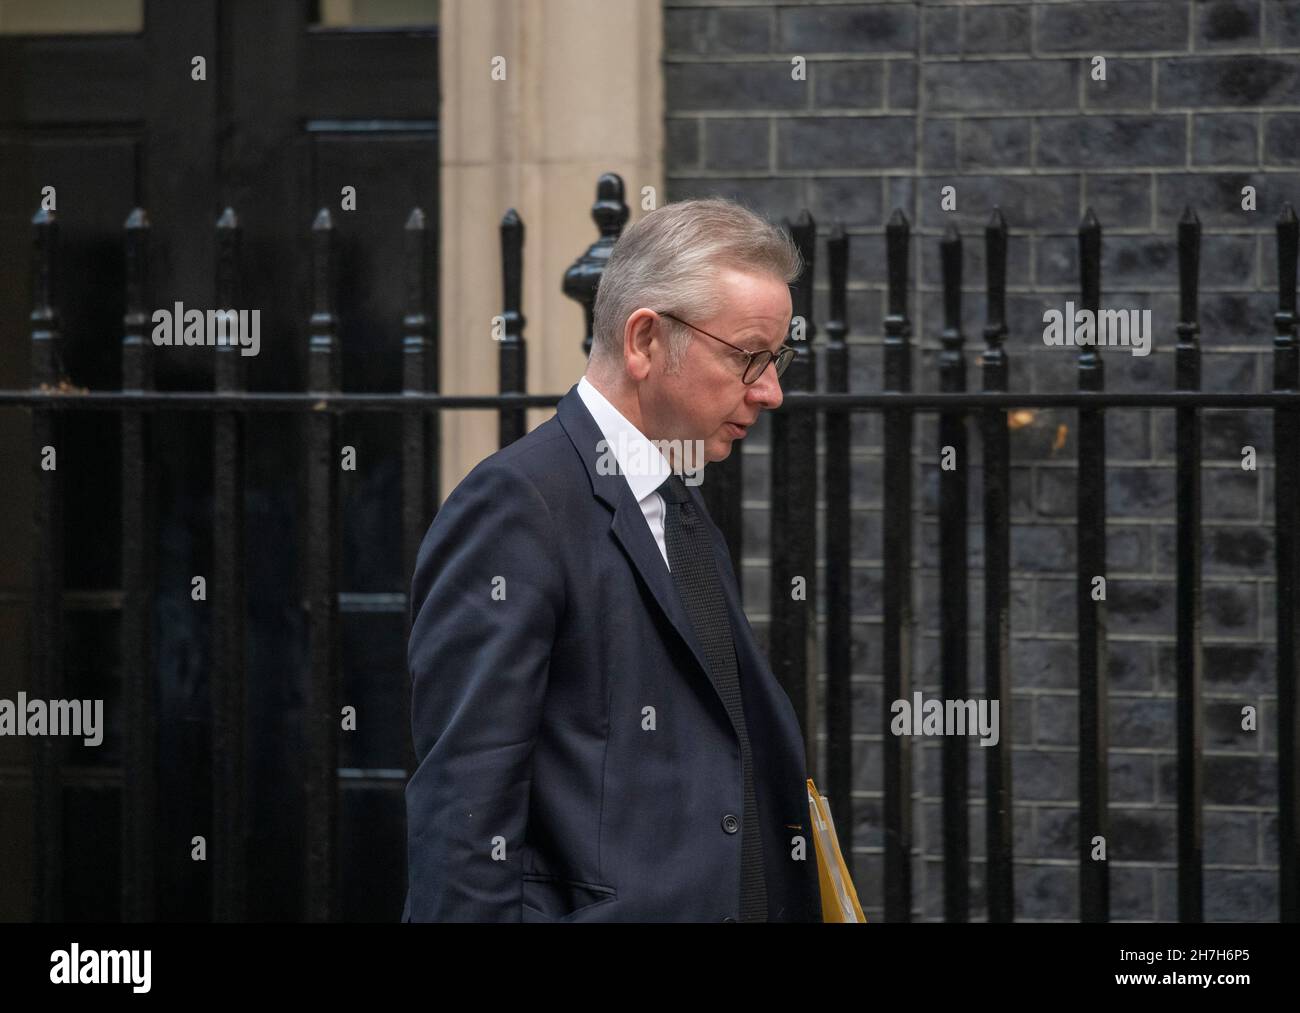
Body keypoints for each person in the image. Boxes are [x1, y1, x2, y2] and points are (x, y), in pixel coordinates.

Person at [402, 197, 821, 922]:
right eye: (750, 355)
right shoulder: (514, 507)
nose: (771, 390)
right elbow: (463, 821)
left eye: (776, 358)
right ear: (645, 340)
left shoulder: (679, 501)